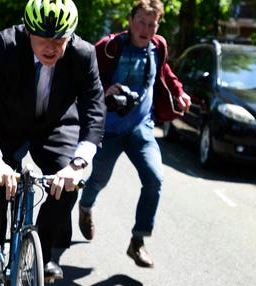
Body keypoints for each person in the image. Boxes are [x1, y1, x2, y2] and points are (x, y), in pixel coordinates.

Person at [0, 0, 106, 286]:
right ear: (28, 31)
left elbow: (95, 110)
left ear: (71, 36)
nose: (51, 47)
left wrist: (77, 165)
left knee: (67, 187)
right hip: (6, 127)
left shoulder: (84, 54)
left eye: (60, 40)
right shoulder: (6, 44)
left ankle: (41, 249)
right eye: (43, 38)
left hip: (55, 126)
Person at [78, 0, 190, 268]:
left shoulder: (158, 46)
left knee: (154, 178)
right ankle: (85, 208)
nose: (145, 28)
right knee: (99, 179)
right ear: (130, 20)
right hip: (109, 129)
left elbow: (165, 71)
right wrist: (105, 90)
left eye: (151, 24)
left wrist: (179, 92)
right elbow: (85, 75)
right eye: (141, 21)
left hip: (141, 127)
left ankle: (137, 242)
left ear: (157, 25)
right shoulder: (109, 47)